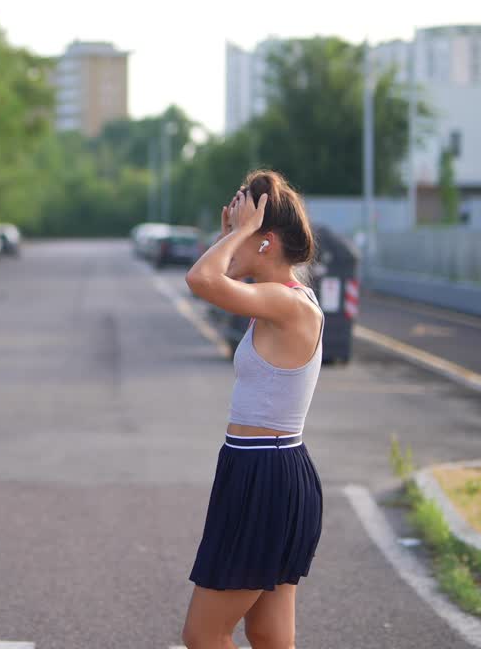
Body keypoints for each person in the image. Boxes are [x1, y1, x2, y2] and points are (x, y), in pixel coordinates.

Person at [180, 169, 324, 649]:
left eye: (242, 232)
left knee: (204, 635)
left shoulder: (288, 306)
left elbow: (202, 278)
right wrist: (236, 236)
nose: (227, 244)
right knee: (267, 635)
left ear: (266, 242)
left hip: (266, 474)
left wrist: (240, 235)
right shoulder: (277, 301)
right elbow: (216, 275)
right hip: (263, 469)